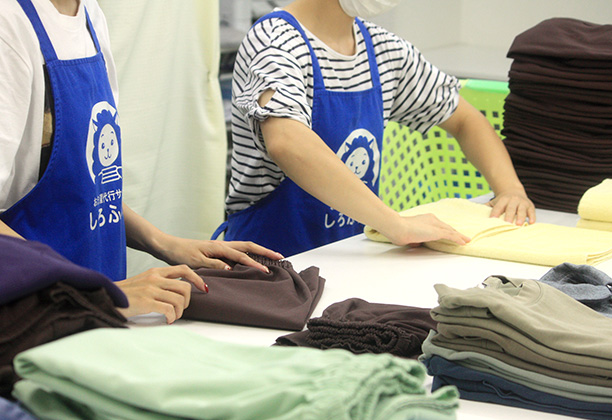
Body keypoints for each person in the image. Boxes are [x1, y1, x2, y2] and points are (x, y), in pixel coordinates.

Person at [0, 0, 282, 324]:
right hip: (33, 325)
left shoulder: (89, 15)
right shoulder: (9, 27)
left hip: (96, 319)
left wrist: (164, 243)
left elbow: (85, 189)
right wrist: (96, 294)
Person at [214, 0, 536, 257]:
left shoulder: (382, 51)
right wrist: (394, 224)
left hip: (346, 260)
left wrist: (510, 190)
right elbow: (286, 142)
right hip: (269, 268)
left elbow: (465, 119)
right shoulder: (275, 42)